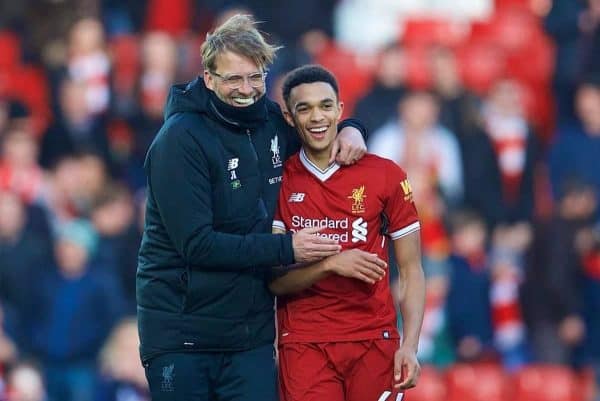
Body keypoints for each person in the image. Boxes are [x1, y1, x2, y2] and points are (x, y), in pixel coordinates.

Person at [136, 14, 368, 401]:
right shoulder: (178, 141)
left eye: (256, 77)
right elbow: (198, 245)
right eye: (233, 79)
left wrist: (354, 127)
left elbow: (320, 131)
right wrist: (287, 248)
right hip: (182, 335)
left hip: (250, 336)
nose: (246, 89)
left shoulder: (271, 124)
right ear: (208, 78)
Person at [270, 65, 425, 401]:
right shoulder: (278, 181)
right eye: (304, 108)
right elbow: (273, 280)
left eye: (325, 106)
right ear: (288, 117)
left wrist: (410, 346)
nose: (316, 117)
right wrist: (329, 265)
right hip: (305, 343)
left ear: (340, 109)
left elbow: (411, 269)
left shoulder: (385, 174)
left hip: (374, 339)